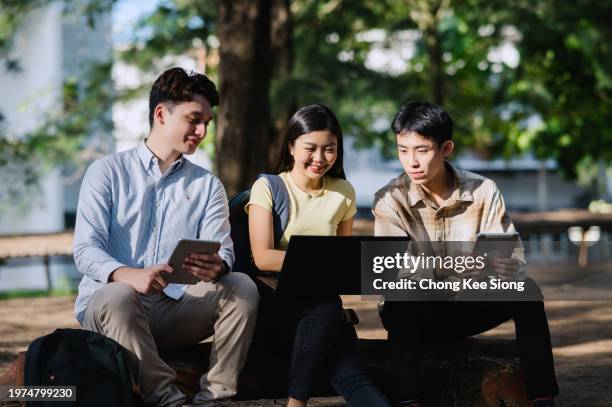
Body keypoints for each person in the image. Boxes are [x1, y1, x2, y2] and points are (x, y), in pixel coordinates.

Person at [73, 67, 259, 407]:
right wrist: (130, 276)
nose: (202, 131)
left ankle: (214, 399)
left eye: (207, 122)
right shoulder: (107, 173)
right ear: (161, 114)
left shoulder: (207, 185)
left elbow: (225, 252)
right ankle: (168, 400)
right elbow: (85, 250)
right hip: (111, 310)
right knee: (119, 297)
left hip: (175, 310)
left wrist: (217, 266)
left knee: (242, 287)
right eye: (194, 119)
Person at [373, 102, 559, 407]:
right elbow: (390, 273)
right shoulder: (390, 199)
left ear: (446, 148)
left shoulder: (484, 190)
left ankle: (542, 397)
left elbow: (514, 260)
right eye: (402, 150)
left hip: (467, 305)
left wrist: (501, 268)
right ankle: (409, 400)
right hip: (415, 314)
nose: (411, 161)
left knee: (527, 291)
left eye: (421, 150)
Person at [247, 104, 390, 407]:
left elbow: (340, 260)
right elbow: (262, 257)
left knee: (352, 374)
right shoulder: (268, 187)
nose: (320, 158)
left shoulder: (344, 192)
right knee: (328, 306)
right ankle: (296, 403)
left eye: (330, 149)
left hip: (322, 311)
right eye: (310, 148)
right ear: (290, 147)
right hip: (276, 303)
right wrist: (318, 263)